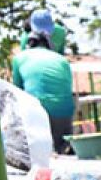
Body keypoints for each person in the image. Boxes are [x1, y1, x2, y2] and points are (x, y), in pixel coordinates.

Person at [11, 17, 75, 154]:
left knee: (33, 152)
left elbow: (16, 92)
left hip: (37, 114)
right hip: (64, 113)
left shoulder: (19, 58)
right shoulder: (62, 60)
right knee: (63, 151)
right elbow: (68, 89)